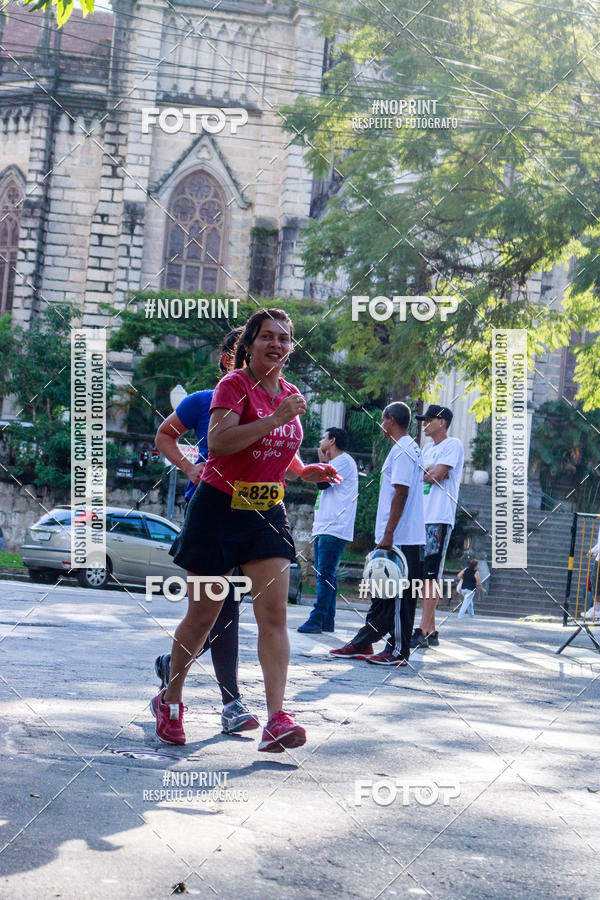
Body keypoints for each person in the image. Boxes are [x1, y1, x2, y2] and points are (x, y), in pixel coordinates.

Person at [150, 309, 342, 750]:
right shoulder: (232, 385)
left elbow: (273, 450)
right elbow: (219, 442)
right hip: (218, 508)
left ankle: (277, 717)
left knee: (273, 616)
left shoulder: (291, 393)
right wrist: (275, 418)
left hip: (266, 511)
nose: (277, 344)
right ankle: (171, 700)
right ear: (250, 344)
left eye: (285, 338)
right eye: (268, 337)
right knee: (204, 616)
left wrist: (302, 470)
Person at [153, 329, 258, 735]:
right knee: (220, 607)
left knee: (223, 609)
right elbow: (165, 434)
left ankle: (171, 666)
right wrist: (187, 467)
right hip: (208, 512)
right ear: (228, 359)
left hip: (252, 515)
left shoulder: (272, 405)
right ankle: (231, 703)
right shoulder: (203, 400)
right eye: (242, 352)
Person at [329, 401, 425, 666]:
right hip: (397, 536)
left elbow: (401, 492)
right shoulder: (404, 448)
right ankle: (364, 641)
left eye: (384, 421)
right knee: (381, 593)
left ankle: (398, 651)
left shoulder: (404, 449)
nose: (382, 427)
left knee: (398, 598)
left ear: (391, 420)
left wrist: (390, 533)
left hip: (402, 537)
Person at [410, 404, 464, 649]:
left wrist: (429, 471)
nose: (425, 424)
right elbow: (419, 474)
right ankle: (431, 631)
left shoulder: (453, 445)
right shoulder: (428, 448)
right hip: (422, 517)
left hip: (439, 518)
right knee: (423, 577)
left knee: (431, 575)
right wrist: (428, 470)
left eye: (429, 419)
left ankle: (422, 630)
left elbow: (434, 475)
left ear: (442, 422)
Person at [297, 427, 359, 634]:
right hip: (325, 526)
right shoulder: (336, 463)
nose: (320, 440)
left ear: (332, 441)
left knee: (324, 574)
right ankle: (326, 620)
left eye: (324, 437)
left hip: (334, 527)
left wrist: (321, 462)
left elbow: (323, 483)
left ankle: (317, 618)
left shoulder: (343, 461)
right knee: (327, 575)